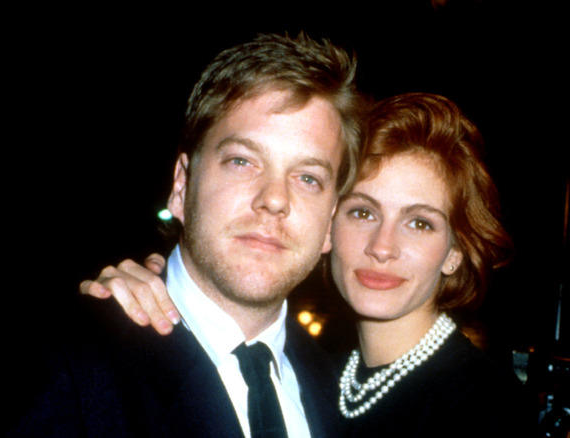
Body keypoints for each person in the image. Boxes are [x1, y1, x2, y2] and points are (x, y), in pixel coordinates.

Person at [84, 93, 539, 436]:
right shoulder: (310, 367)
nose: (382, 247)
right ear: (327, 227)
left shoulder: (485, 407)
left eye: (420, 223)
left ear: (455, 251)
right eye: (363, 212)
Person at [6, 32, 365, 438]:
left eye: (307, 178)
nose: (274, 200)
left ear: (330, 223)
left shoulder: (337, 392)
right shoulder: (68, 366)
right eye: (242, 161)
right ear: (181, 186)